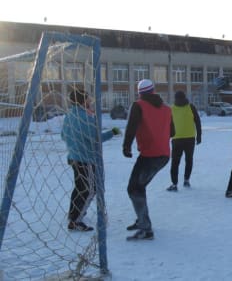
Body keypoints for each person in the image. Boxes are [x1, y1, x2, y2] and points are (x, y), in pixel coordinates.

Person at [61, 89, 120, 232]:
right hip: (85, 159)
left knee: (79, 187)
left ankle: (73, 213)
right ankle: (75, 220)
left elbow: (63, 135)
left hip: (74, 157)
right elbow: (96, 138)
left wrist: (75, 144)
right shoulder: (85, 117)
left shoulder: (69, 115)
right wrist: (112, 133)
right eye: (88, 99)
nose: (90, 101)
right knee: (89, 190)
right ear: (83, 101)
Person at [123, 79, 175, 240]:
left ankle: (146, 229)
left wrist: (126, 146)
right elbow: (172, 132)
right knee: (140, 186)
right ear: (153, 91)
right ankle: (141, 220)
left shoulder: (138, 105)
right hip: (164, 155)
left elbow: (131, 126)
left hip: (149, 156)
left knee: (134, 188)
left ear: (140, 93)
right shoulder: (167, 109)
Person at [167, 90, 202, 191]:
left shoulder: (172, 108)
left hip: (177, 139)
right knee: (188, 160)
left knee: (175, 162)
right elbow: (198, 121)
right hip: (189, 138)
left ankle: (174, 184)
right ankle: (186, 180)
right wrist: (199, 136)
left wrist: (167, 136)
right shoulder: (190, 107)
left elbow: (168, 124)